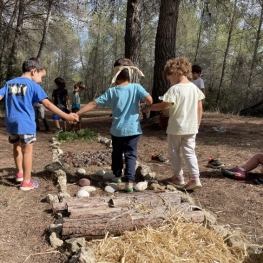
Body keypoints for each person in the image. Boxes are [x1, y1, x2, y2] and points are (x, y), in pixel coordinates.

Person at [0, 58, 78, 191]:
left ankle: (19, 174)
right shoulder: (33, 86)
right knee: (27, 150)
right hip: (25, 123)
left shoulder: (9, 83)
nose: (41, 80)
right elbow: (47, 104)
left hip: (11, 123)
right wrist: (66, 116)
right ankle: (26, 182)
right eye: (41, 77)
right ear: (33, 71)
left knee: (16, 146)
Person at [76, 58, 153, 192]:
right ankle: (129, 182)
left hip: (117, 130)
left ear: (115, 74)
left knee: (117, 153)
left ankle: (117, 176)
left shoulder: (112, 91)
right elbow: (149, 100)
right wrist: (144, 104)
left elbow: (94, 103)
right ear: (130, 74)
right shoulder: (136, 88)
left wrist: (77, 113)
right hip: (133, 130)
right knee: (131, 155)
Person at [144, 57, 205, 191]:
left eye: (170, 79)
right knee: (189, 152)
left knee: (174, 152)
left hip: (176, 127)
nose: (170, 83)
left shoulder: (175, 89)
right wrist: (198, 123)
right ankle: (195, 178)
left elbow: (163, 106)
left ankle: (178, 176)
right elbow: (199, 108)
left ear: (175, 73)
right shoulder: (195, 89)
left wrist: (148, 107)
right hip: (192, 127)